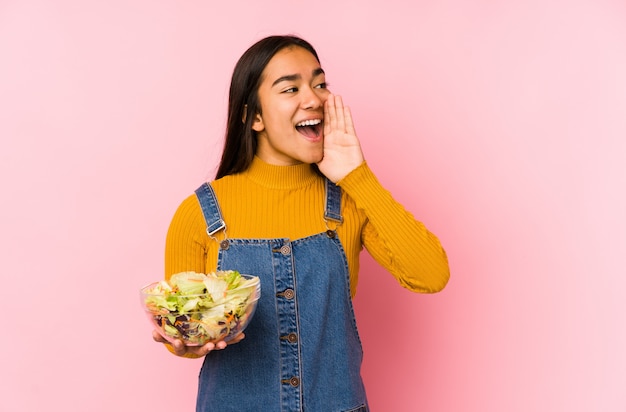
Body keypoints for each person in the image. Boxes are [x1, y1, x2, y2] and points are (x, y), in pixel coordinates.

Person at [153, 35, 450, 412]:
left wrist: (358, 176)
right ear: (254, 116)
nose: (314, 98)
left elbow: (430, 274)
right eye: (291, 88)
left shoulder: (348, 201)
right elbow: (184, 327)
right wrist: (187, 343)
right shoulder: (199, 213)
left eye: (320, 84)